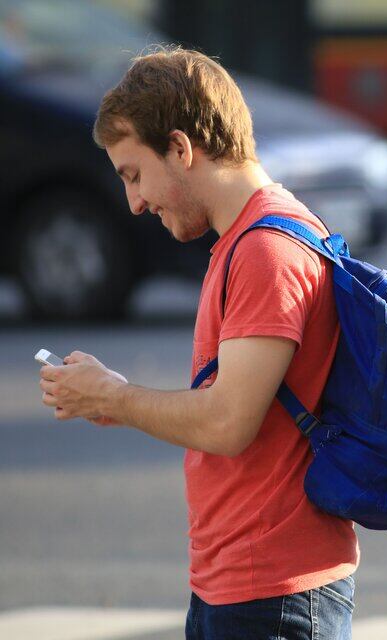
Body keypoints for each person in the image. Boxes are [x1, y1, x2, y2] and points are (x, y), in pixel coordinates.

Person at [38, 47, 358, 640]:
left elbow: (227, 423)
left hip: (273, 592)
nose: (134, 202)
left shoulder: (267, 251)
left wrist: (116, 397)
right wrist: (114, 398)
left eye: (134, 174)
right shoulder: (244, 240)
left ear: (181, 149)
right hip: (238, 583)